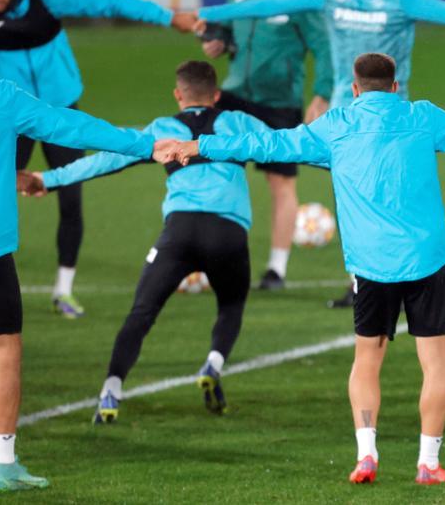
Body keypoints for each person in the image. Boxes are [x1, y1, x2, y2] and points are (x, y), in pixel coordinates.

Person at [153, 53, 445, 485]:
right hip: (425, 258)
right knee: (435, 363)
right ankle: (429, 463)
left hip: (371, 264)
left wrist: (198, 145)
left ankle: (366, 456)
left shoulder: (337, 125)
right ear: (396, 86)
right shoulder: (422, 117)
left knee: (367, 359)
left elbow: (267, 144)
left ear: (355, 89)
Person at [195, 0, 445, 307]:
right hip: (345, 118)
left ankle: (401, 277)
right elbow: (268, 4)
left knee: (393, 196)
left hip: (391, 120)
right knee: (350, 198)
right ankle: (361, 281)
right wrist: (205, 14)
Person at [0, 13, 157, 494]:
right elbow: (73, 127)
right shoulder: (3, 97)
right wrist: (146, 144)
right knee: (4, 351)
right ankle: (3, 464)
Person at [0, 0, 196, 319]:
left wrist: (168, 17)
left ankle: (63, 290)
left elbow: (109, 1)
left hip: (58, 109)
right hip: (10, 117)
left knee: (71, 195)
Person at [19, 61, 274, 423]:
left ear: (177, 94)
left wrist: (49, 179)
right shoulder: (239, 122)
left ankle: (111, 390)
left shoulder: (163, 130)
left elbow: (105, 161)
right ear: (216, 95)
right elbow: (285, 145)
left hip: (180, 232)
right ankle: (213, 366)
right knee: (230, 306)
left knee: (141, 313)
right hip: (228, 234)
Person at [201, 0, 334, 291]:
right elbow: (225, 36)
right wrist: (216, 44)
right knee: (213, 174)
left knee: (281, 184)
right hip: (233, 97)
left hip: (279, 103)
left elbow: (325, 48)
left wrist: (321, 95)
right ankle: (208, 260)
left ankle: (276, 268)